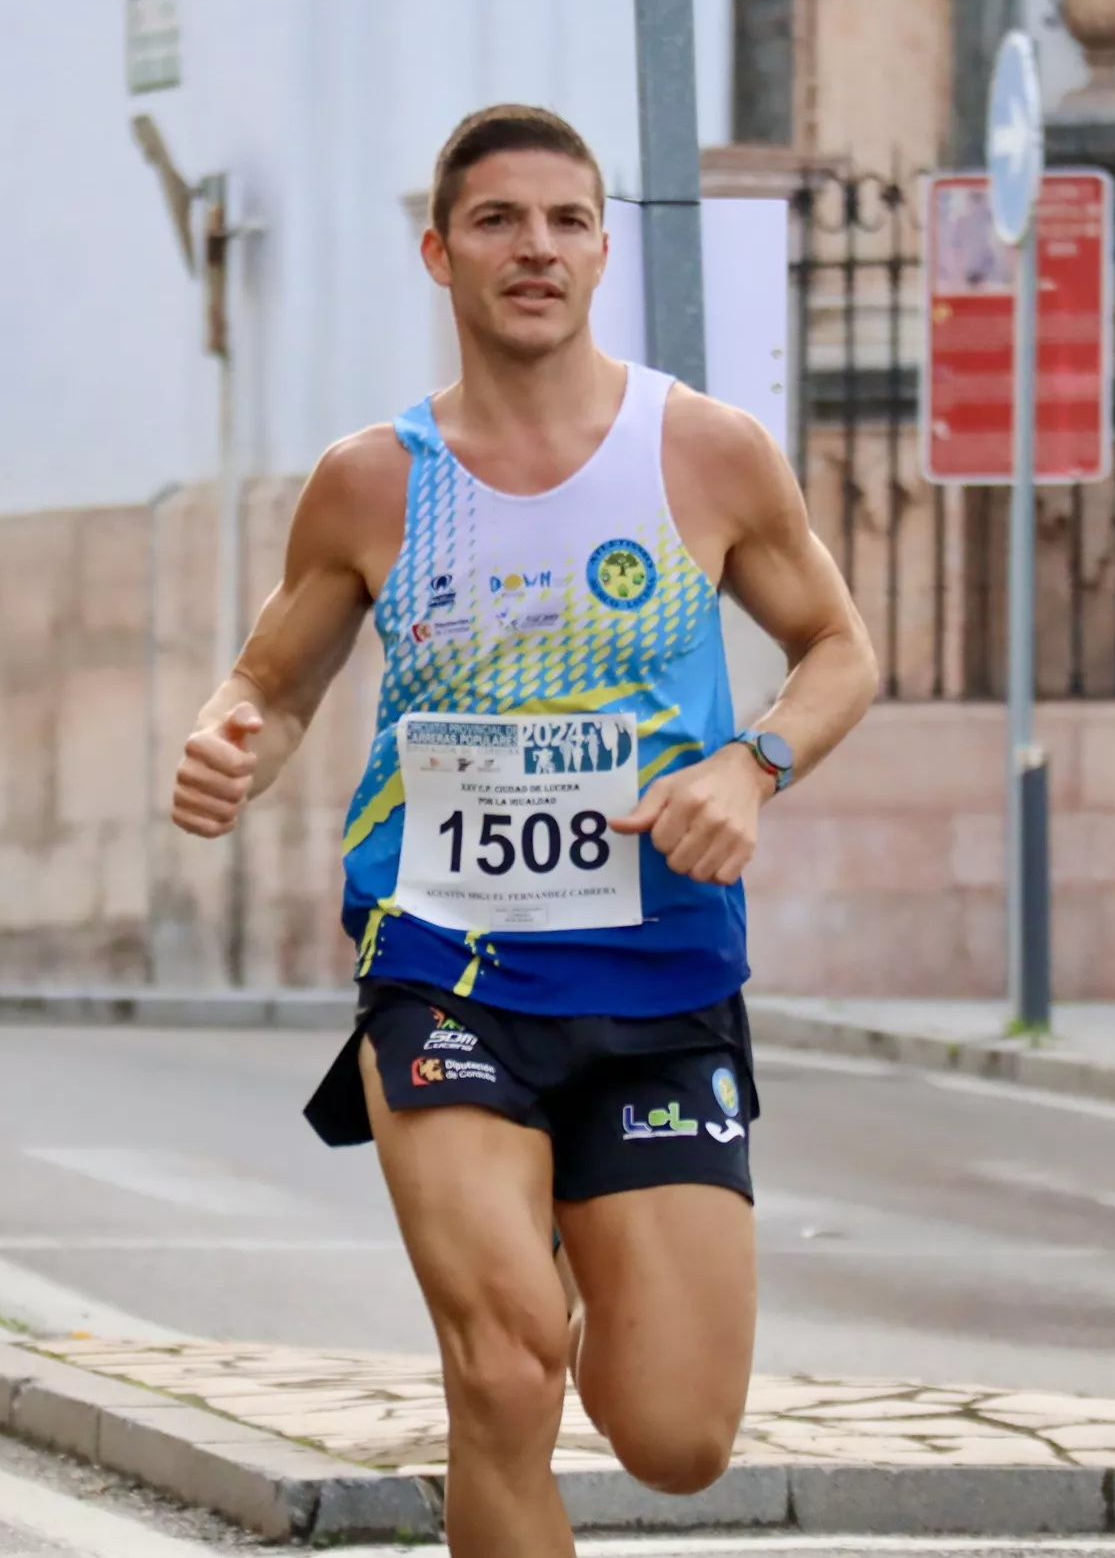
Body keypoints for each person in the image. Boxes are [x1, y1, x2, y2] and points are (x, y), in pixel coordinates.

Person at [168, 106, 876, 1556]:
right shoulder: (375, 479)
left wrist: (752, 766)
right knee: (503, 1371)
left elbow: (842, 650)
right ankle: (504, 1310)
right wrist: (232, 736)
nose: (535, 248)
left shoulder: (705, 452)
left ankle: (557, 1223)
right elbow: (274, 680)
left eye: (566, 220)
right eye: (498, 220)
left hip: (660, 967)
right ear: (440, 252)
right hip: (446, 961)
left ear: (604, 246)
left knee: (678, 1438)